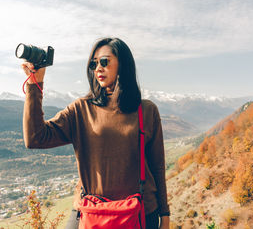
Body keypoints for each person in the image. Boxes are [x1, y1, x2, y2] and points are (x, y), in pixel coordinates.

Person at [21, 37, 170, 229]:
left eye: (104, 61)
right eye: (94, 63)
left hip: (140, 213)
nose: (98, 68)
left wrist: (164, 215)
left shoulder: (146, 110)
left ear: (123, 64)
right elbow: (35, 138)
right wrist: (35, 83)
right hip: (90, 213)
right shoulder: (81, 109)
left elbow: (158, 166)